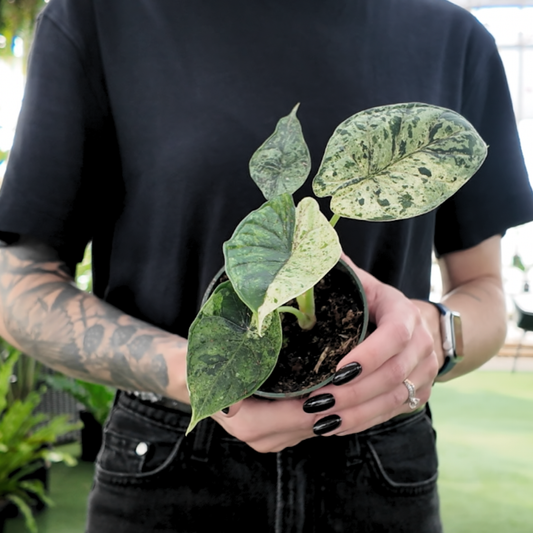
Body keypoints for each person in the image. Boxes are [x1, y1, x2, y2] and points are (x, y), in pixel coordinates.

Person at [0, 0, 532, 531]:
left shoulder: (452, 37)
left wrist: (433, 336)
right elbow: (18, 287)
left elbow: (482, 291)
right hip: (170, 452)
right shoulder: (100, 17)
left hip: (379, 455)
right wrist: (204, 378)